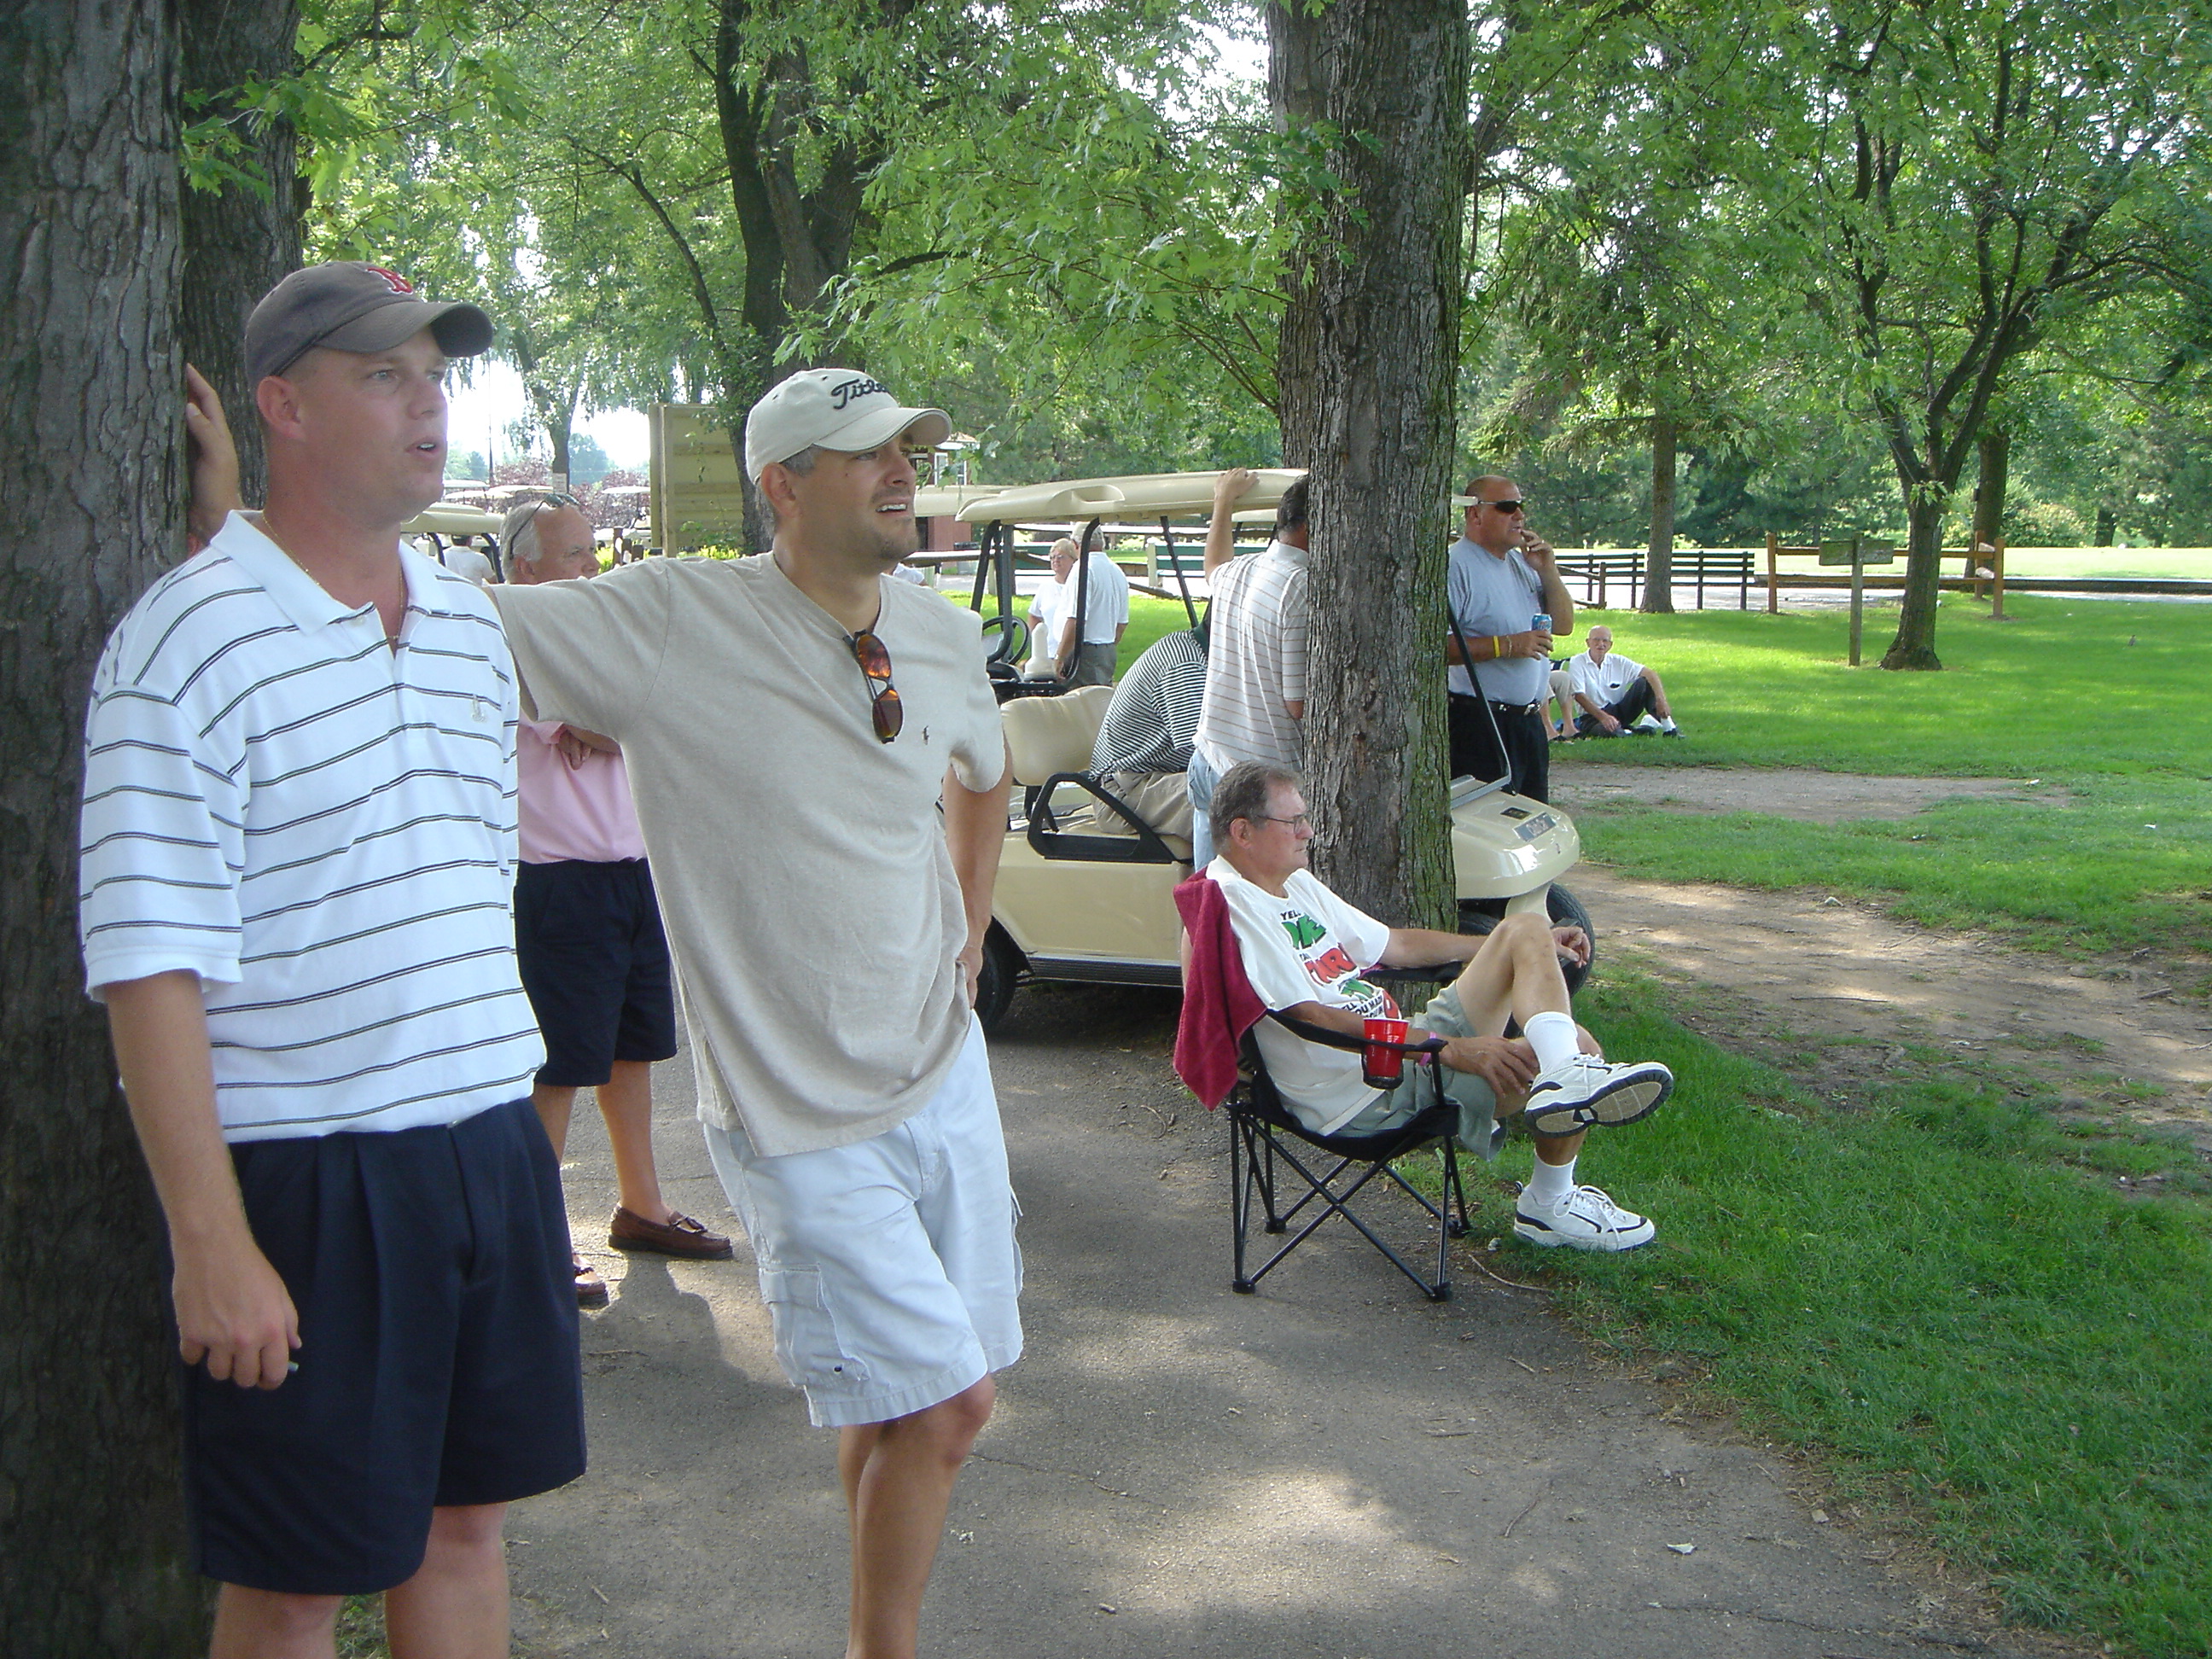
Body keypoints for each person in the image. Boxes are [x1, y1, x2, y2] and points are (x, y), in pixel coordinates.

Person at [79, 261, 585, 1657]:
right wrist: (210, 1240)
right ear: (281, 405)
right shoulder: (183, 644)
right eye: (383, 375)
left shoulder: (473, 624)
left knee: (467, 1527)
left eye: (435, 375)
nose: (427, 404)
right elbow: (146, 962)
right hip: (309, 1167)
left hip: (488, 1136)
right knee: (299, 1580)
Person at [486, 367, 1017, 1659]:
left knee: (896, 1412)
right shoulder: (672, 621)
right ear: (781, 483)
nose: (902, 471)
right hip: (797, 1117)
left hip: (943, 1075)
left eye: (908, 447)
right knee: (952, 1409)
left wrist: (966, 915)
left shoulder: (940, 632)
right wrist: (246, 528)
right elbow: (445, 621)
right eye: (864, 454)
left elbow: (985, 780)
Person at [1201, 762, 1674, 1251]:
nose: (1308, 830)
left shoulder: (1292, 884)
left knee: (1524, 928)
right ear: (1243, 833)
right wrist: (1446, 1050)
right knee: (1579, 1045)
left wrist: (1507, 948)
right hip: (1367, 1091)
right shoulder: (1236, 904)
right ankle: (1549, 1202)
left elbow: (1395, 946)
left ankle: (1563, 1076)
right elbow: (1309, 1017)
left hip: (1400, 1044)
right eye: (1293, 821)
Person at [501, 495, 734, 1308]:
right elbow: (615, 725)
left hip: (631, 867)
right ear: (524, 568)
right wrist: (618, 719)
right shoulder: (514, 644)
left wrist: (620, 720)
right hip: (558, 878)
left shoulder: (600, 635)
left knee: (632, 1047)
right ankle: (535, 1238)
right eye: (573, 554)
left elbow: (640, 718)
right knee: (559, 1063)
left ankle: (641, 1205)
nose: (591, 569)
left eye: (592, 552)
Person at [1190, 467, 1307, 870]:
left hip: (1209, 758)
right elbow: (1298, 704)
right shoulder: (1301, 587)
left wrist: (1222, 503)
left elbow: (1212, 568)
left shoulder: (1241, 570)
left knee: (1211, 907)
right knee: (1257, 913)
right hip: (1263, 785)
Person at [1446, 476, 1575, 800]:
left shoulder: (1522, 563)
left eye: (1521, 506)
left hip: (1529, 723)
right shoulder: (1455, 565)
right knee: (1490, 820)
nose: (1519, 515)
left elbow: (1563, 625)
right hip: (1481, 722)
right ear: (1475, 514)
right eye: (1507, 508)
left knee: (1530, 822)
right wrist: (1506, 645)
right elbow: (1437, 647)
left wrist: (1548, 571)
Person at [1084, 609, 1208, 840]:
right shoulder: (1186, 664)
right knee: (1241, 804)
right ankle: (1220, 877)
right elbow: (1207, 758)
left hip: (1156, 777)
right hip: (1123, 791)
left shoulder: (1209, 658)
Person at [1567, 624, 1680, 736]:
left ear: (1610, 645)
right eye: (1596, 640)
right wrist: (1604, 717)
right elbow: (1579, 695)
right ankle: (1642, 727)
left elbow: (1650, 674)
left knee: (1645, 682)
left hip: (1619, 710)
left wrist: (1661, 700)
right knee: (1609, 733)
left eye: (1605, 641)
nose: (1600, 644)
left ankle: (1669, 728)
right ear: (1588, 642)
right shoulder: (1577, 662)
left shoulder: (1618, 661)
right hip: (1592, 716)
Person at [1045, 534, 1129, 685]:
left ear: (1075, 545)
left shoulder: (1083, 569)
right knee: (1100, 699)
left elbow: (1076, 620)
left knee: (1078, 703)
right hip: (1107, 650)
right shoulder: (1117, 571)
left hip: (1082, 653)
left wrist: (1060, 657)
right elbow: (1122, 623)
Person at [1023, 538, 1075, 678]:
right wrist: (1038, 641)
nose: (1055, 560)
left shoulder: (1077, 586)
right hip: (1048, 652)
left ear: (1073, 559)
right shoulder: (1045, 587)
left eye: (1060, 557)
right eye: (1052, 557)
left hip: (1072, 653)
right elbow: (1034, 615)